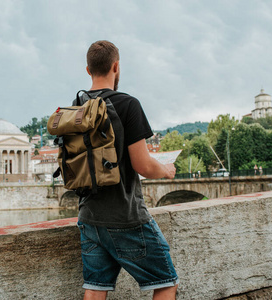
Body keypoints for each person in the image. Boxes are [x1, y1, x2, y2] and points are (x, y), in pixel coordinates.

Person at [77, 40, 179, 300]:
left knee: (95, 289)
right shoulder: (128, 104)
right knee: (166, 282)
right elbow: (143, 165)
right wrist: (166, 170)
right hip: (125, 215)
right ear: (116, 67)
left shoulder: (77, 106)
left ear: (88, 70)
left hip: (89, 216)